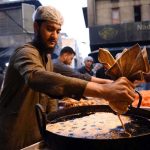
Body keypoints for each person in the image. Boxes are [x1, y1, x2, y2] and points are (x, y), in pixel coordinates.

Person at [0, 5, 136, 150]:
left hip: (37, 133)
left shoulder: (46, 57)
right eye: (49, 29)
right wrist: (104, 90)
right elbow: (36, 77)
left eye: (58, 31)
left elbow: (50, 96)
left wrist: (54, 124)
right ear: (36, 27)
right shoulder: (25, 52)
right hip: (14, 134)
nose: (54, 36)